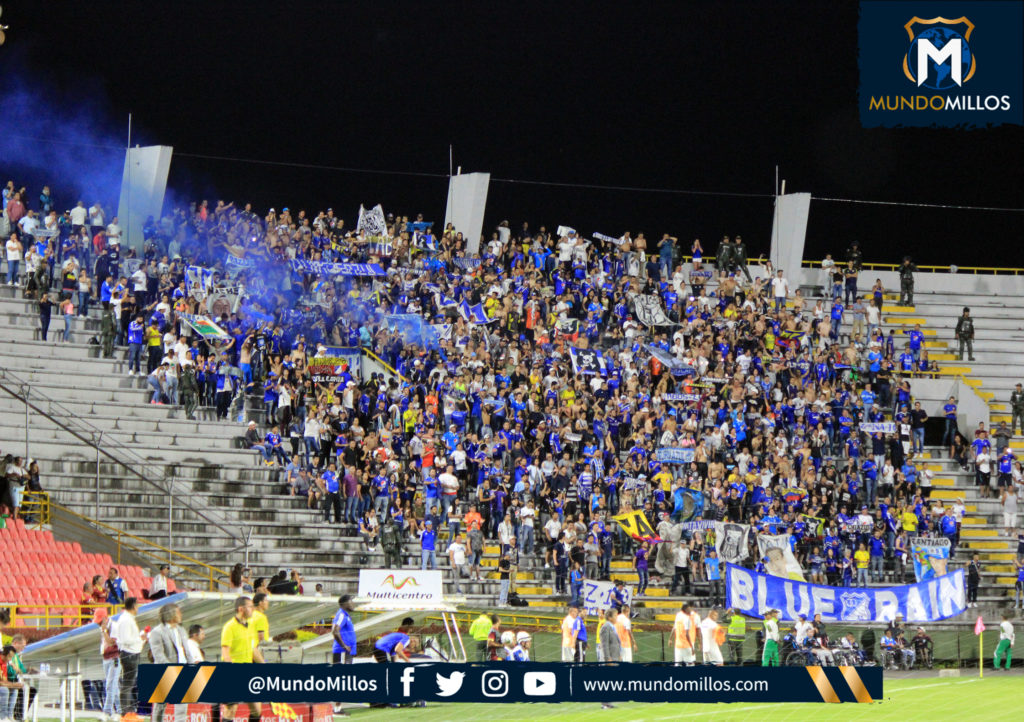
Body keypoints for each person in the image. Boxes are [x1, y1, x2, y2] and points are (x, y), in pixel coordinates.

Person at [219, 597, 264, 722]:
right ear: (241, 609)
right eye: (250, 606)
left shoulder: (250, 627)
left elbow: (253, 649)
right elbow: (225, 653)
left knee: (256, 710)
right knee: (231, 709)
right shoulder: (229, 627)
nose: (253, 609)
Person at [148, 604, 193, 722]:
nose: (180, 615)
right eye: (178, 612)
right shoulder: (156, 632)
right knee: (160, 706)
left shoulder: (182, 630)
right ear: (170, 615)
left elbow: (187, 650)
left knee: (182, 706)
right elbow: (158, 655)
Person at [112, 598, 145, 722]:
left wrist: (140, 639)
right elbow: (125, 639)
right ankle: (126, 713)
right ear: (133, 606)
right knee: (128, 684)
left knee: (129, 684)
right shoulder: (126, 620)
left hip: (132, 652)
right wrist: (139, 638)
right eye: (137, 606)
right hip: (129, 653)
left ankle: (128, 712)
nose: (138, 608)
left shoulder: (127, 619)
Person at [331, 595, 356, 664]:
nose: (353, 603)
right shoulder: (342, 615)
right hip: (342, 651)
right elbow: (335, 631)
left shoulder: (345, 615)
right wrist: (344, 646)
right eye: (351, 601)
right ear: (345, 603)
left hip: (346, 650)